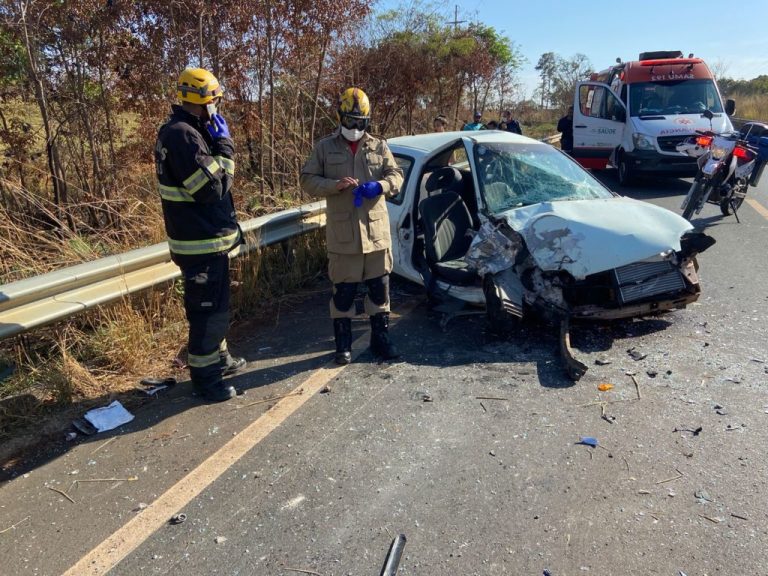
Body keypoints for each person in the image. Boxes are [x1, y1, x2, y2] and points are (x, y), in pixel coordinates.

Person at [154, 67, 246, 402]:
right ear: (206, 101)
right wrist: (225, 146)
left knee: (215, 306)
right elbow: (214, 188)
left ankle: (220, 359)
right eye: (216, 100)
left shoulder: (188, 130)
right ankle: (207, 381)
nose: (218, 106)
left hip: (205, 241)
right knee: (209, 313)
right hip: (199, 244)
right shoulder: (183, 136)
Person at [301, 87, 404, 365]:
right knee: (344, 293)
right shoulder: (325, 147)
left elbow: (396, 175)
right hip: (343, 235)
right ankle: (343, 344)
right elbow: (307, 179)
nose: (356, 128)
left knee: (379, 290)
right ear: (340, 117)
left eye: (361, 123)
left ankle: (380, 339)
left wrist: (380, 186)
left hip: (375, 234)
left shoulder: (379, 146)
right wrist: (333, 186)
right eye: (350, 121)